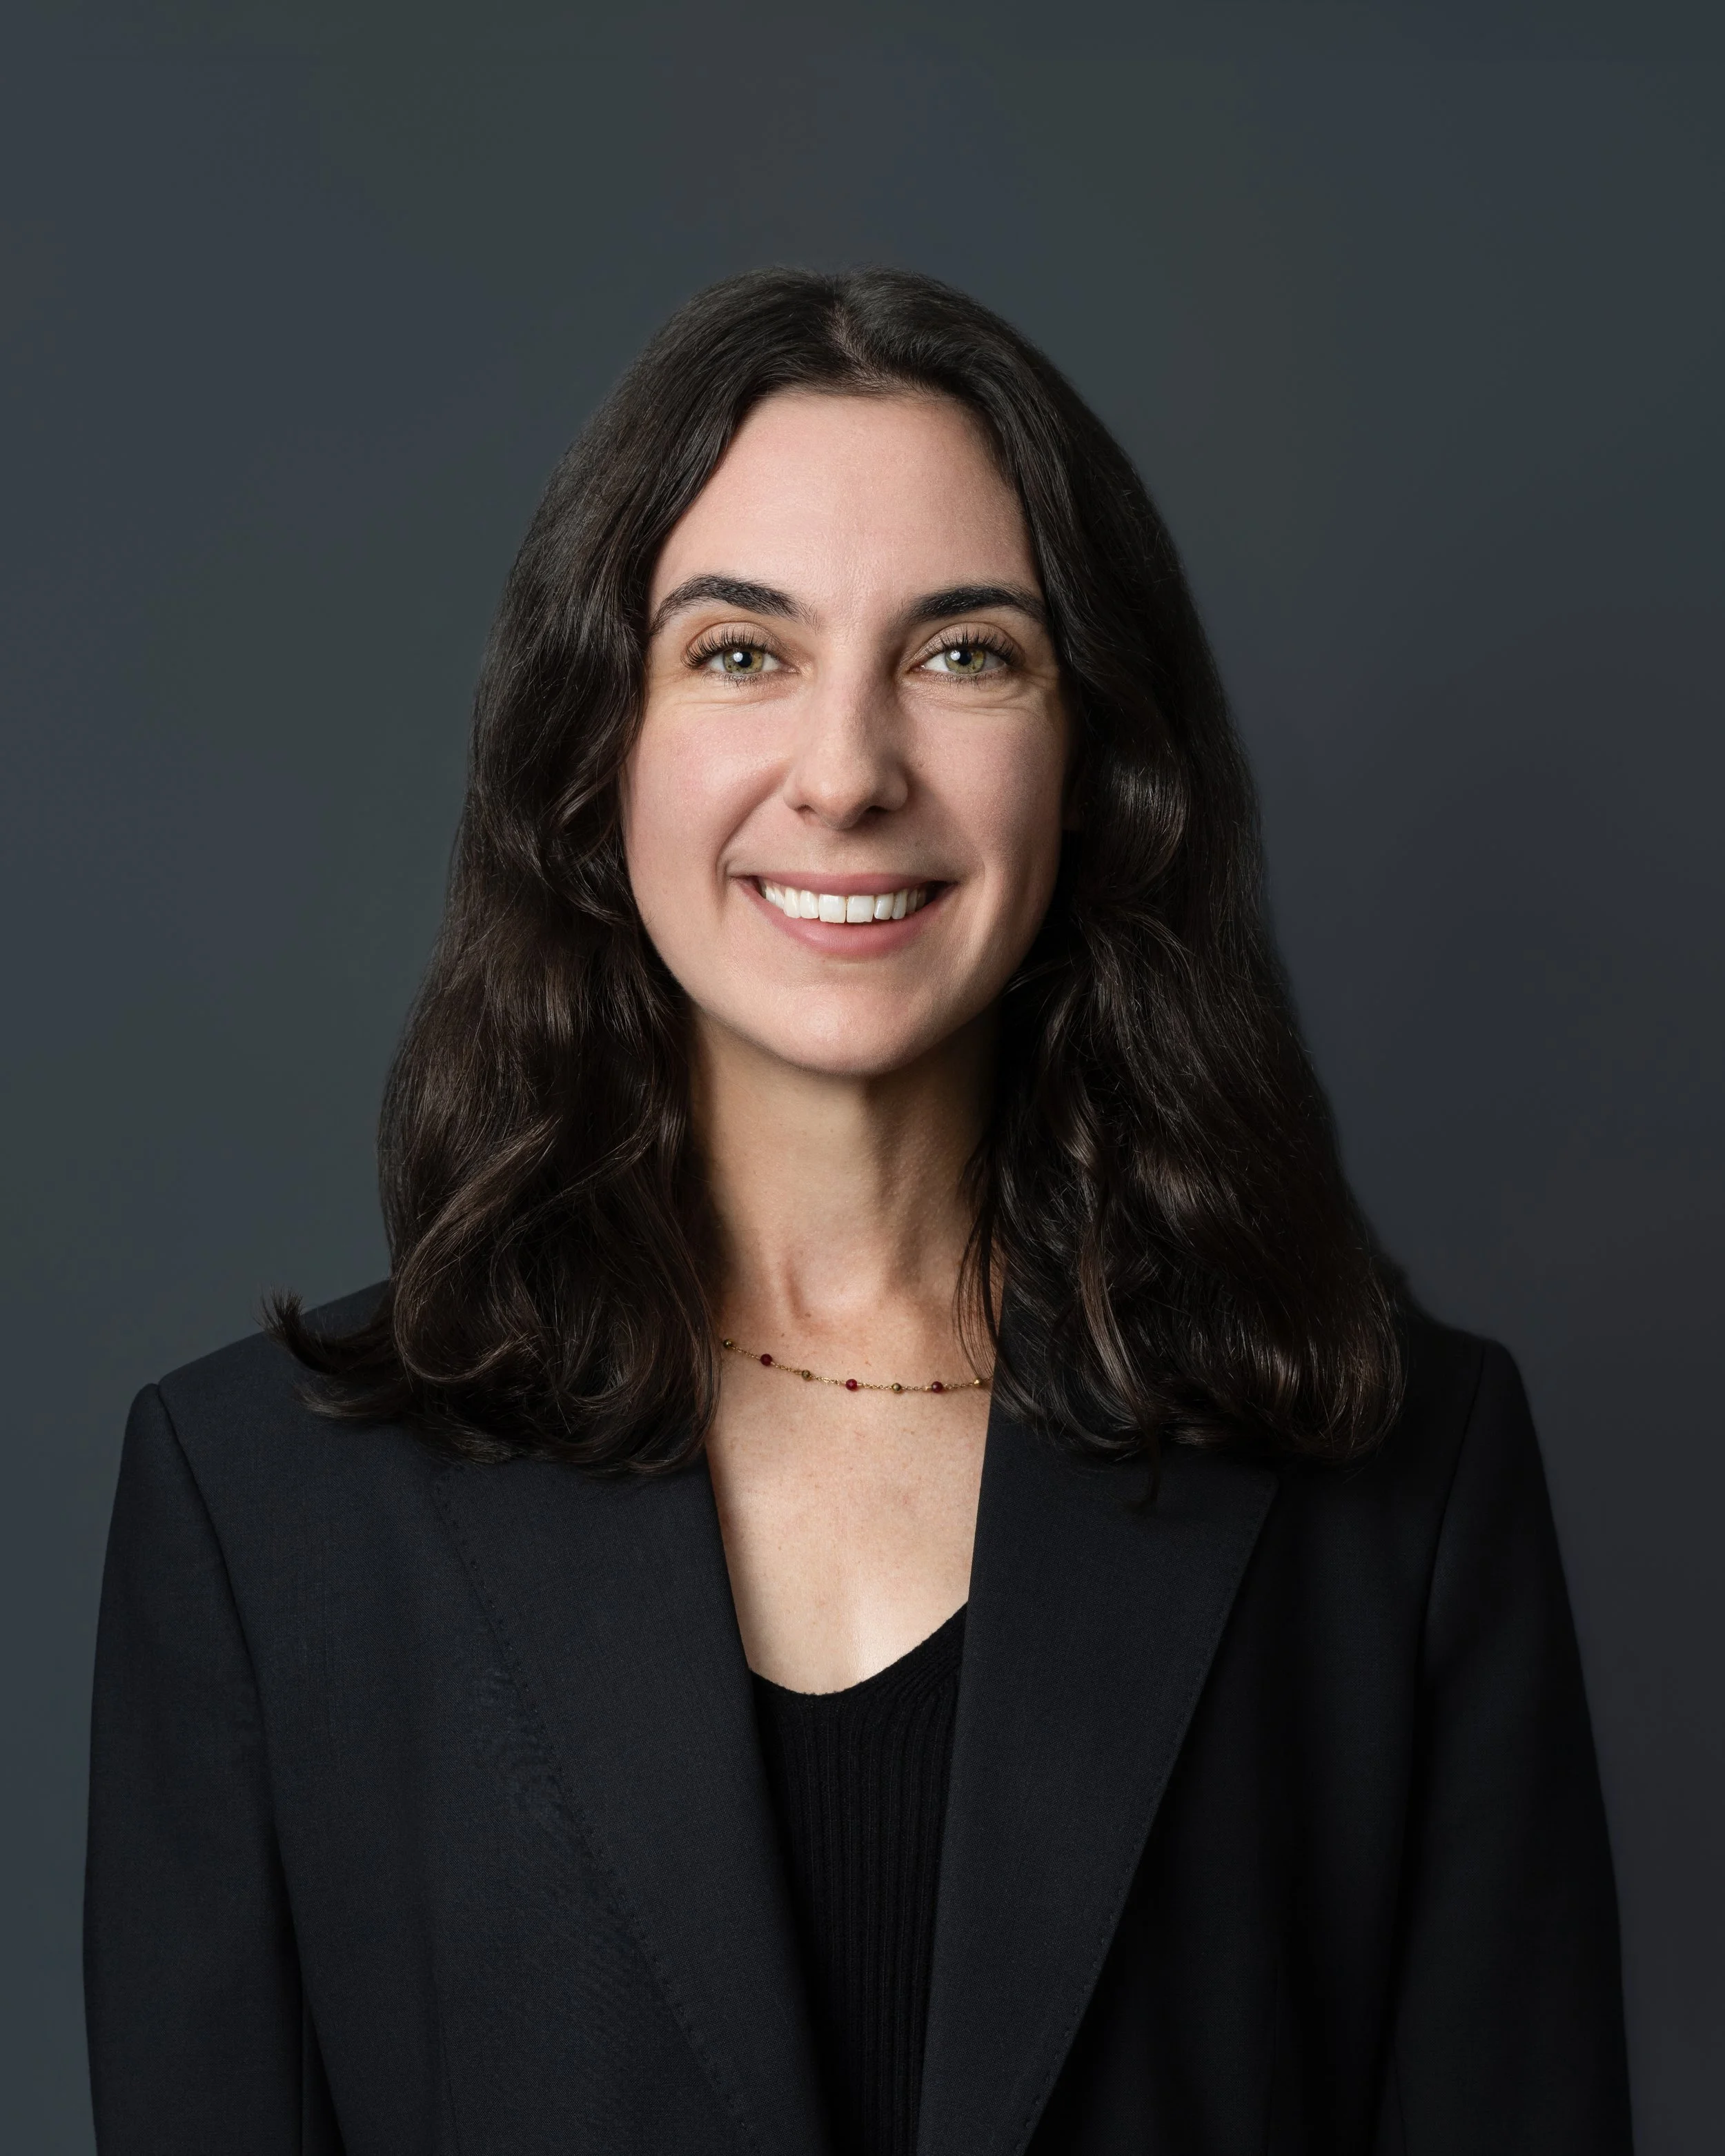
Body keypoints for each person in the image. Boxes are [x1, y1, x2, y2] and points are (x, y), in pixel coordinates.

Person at [84, 268, 1632, 2156]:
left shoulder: (1401, 1489)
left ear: (1098, 761)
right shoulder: (259, 1515)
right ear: (597, 750)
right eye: (740, 652)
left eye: (962, 654)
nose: (845, 774)